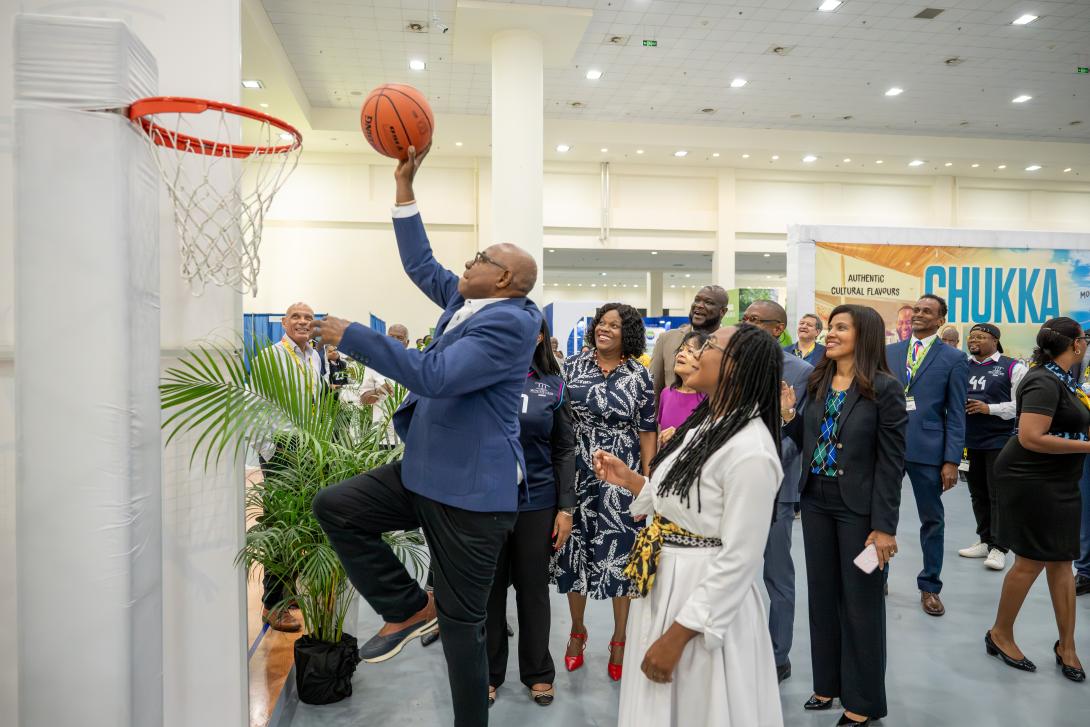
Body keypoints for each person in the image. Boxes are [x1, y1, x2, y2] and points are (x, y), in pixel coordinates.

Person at [309, 144, 542, 727]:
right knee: (337, 506)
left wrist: (354, 336)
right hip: (425, 472)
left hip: (470, 495)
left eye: (481, 257)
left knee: (464, 631)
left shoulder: (513, 322)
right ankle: (410, 606)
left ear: (504, 278)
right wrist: (404, 187)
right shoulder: (468, 303)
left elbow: (434, 375)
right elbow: (421, 264)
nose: (469, 261)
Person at [593, 324, 786, 727]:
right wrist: (632, 480)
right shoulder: (705, 425)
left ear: (735, 367)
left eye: (708, 346)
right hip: (668, 582)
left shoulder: (751, 451)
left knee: (699, 706)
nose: (693, 353)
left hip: (702, 602)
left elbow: (740, 559)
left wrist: (679, 635)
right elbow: (685, 503)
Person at [782, 304, 907, 726]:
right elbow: (810, 440)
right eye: (830, 327)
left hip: (859, 510)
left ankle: (863, 701)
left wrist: (884, 527)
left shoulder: (885, 388)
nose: (829, 334)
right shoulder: (819, 380)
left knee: (861, 602)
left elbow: (891, 462)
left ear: (863, 336)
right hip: (815, 500)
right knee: (822, 596)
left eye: (840, 328)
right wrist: (788, 416)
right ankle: (828, 684)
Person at [553, 303, 657, 682]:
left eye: (614, 325)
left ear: (627, 333)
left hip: (621, 473)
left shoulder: (639, 375)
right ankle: (577, 631)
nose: (604, 329)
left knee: (621, 554)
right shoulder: (572, 367)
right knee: (574, 551)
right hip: (577, 469)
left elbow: (647, 431)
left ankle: (619, 638)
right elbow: (558, 423)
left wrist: (646, 484)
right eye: (601, 323)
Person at [986, 317, 1088, 683]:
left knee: (1062, 561)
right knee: (1030, 562)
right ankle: (1000, 634)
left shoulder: (1064, 380)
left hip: (1060, 480)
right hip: (1031, 479)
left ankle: (1067, 646)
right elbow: (1030, 437)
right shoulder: (1044, 380)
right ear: (1075, 344)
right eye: (1084, 338)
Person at [486, 321, 576, 708]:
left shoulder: (553, 386)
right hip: (486, 503)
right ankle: (488, 674)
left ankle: (538, 672)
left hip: (537, 502)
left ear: (539, 335)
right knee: (489, 592)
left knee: (533, 590)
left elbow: (564, 449)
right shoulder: (484, 377)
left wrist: (565, 508)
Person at [742, 300, 813, 681]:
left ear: (777, 328)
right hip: (730, 488)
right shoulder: (730, 364)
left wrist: (758, 463)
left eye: (755, 320)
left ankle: (777, 654)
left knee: (777, 575)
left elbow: (797, 435)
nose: (747, 324)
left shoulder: (800, 372)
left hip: (775, 489)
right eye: (744, 318)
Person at [885, 294, 968, 617]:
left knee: (932, 520)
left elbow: (956, 413)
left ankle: (930, 586)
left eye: (927, 311)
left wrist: (951, 460)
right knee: (880, 516)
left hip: (929, 451)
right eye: (916, 310)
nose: (918, 314)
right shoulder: (890, 352)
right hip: (888, 447)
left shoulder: (954, 358)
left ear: (940, 320)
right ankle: (877, 577)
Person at [254, 301, 323, 633]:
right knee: (281, 525)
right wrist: (271, 452)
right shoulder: (271, 357)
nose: (303, 321)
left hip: (307, 447)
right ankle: (272, 604)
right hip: (281, 449)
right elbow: (256, 405)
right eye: (296, 316)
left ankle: (289, 591)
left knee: (299, 524)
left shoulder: (314, 357)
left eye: (309, 317)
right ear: (283, 323)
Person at [958, 324, 1026, 572]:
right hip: (969, 440)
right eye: (971, 337)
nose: (973, 340)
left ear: (995, 341)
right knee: (977, 493)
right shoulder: (962, 366)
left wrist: (990, 409)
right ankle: (985, 540)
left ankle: (1000, 547)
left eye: (980, 337)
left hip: (1000, 440)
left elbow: (1023, 405)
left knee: (999, 494)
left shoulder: (1013, 367)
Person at [649, 286, 729, 398]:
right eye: (697, 300)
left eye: (708, 302)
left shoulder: (729, 345)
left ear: (723, 311)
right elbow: (653, 387)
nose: (699, 305)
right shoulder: (667, 339)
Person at [358, 323, 410, 445]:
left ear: (407, 343)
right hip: (381, 438)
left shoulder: (415, 365)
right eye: (391, 337)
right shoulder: (373, 364)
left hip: (408, 438)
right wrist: (378, 391)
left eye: (400, 338)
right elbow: (363, 400)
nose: (394, 341)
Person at [657, 331, 707, 447]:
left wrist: (679, 436)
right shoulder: (666, 393)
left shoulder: (710, 399)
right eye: (680, 350)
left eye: (690, 351)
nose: (681, 354)